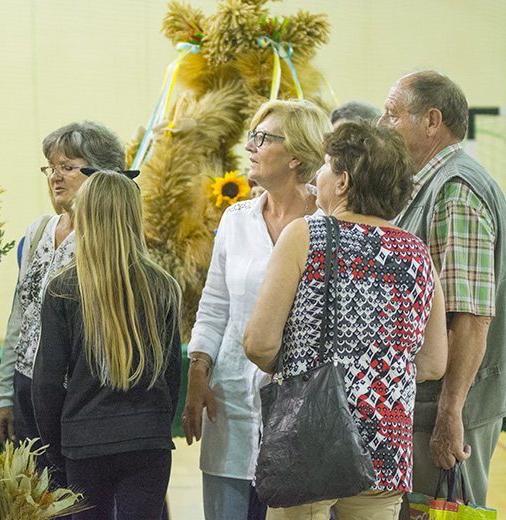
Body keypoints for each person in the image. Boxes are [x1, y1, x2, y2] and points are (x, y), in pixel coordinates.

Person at [243, 122, 448, 518]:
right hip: (387, 444)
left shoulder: (306, 235)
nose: (317, 175)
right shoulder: (418, 254)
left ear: (343, 182)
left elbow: (259, 343)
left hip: (310, 435)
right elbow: (434, 363)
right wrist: (378, 373)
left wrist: (296, 367)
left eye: (325, 165)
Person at [182, 99, 331, 520]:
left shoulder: (328, 225)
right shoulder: (237, 219)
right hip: (229, 402)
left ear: (297, 156)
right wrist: (197, 370)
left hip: (302, 409)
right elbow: (214, 306)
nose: (250, 146)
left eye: (263, 138)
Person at [379, 70, 506, 507]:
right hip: (433, 406)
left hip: (445, 412)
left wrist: (450, 413)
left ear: (432, 120)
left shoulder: (455, 191)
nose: (382, 125)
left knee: (440, 512)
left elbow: (470, 317)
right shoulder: (434, 185)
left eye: (392, 115)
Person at [32, 170, 182, 520]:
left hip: (84, 442)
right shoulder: (163, 286)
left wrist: (57, 450)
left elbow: (47, 384)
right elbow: (172, 377)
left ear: (83, 217)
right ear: (134, 217)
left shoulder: (62, 288)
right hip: (148, 439)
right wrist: (154, 424)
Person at [0, 121, 125, 456]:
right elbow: (19, 319)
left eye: (67, 167)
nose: (55, 176)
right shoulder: (38, 232)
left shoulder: (113, 239)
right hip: (27, 386)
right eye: (50, 167)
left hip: (80, 396)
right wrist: (5, 396)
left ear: (103, 175)